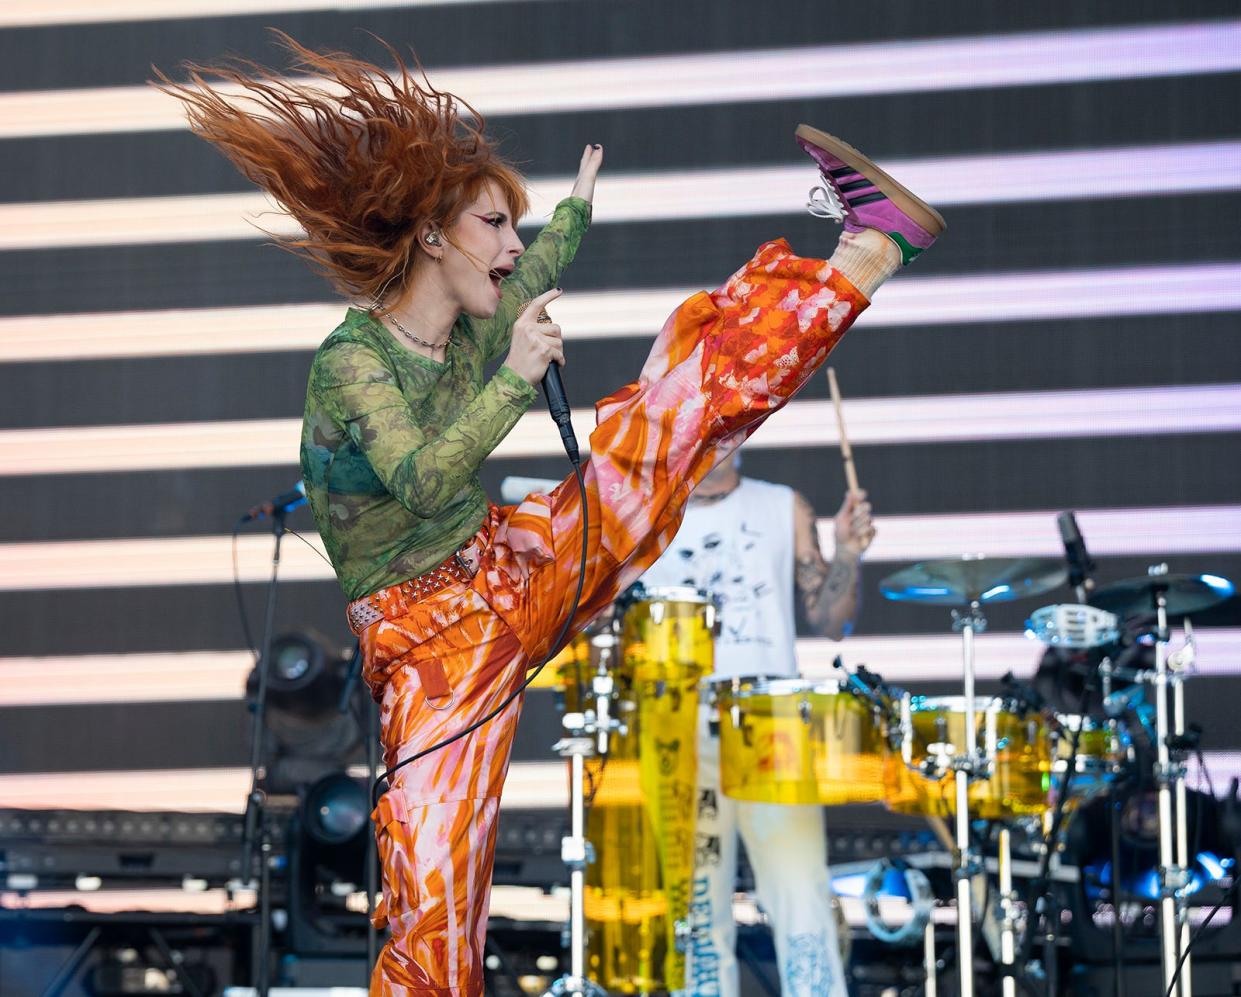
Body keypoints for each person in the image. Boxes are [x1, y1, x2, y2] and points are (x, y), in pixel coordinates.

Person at [159, 35, 944, 996]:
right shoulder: (352, 361)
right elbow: (418, 479)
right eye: (495, 224)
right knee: (435, 917)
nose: (514, 246)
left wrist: (570, 209)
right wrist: (518, 382)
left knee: (672, 413)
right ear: (435, 239)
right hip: (433, 647)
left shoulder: (466, 316)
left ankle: (870, 246)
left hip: (509, 570)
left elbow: (532, 276)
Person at [637, 452, 874, 997]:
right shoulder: (645, 511)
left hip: (772, 721)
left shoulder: (781, 504)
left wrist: (847, 554)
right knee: (695, 911)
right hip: (680, 723)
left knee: (800, 896)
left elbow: (831, 622)